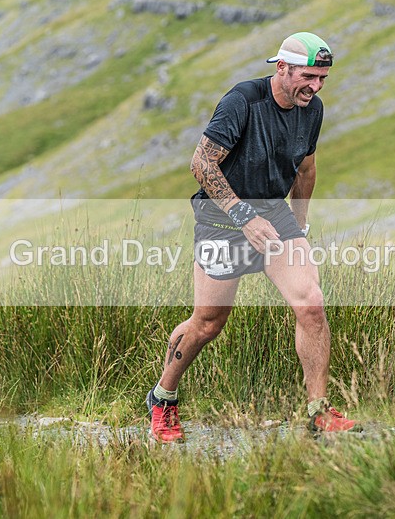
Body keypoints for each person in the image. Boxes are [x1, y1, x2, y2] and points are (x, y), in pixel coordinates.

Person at [146, 32, 360, 442]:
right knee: (208, 323)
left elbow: (305, 169)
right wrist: (243, 215)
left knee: (311, 303)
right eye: (309, 77)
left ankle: (317, 412)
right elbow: (202, 164)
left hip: (274, 216)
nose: (314, 87)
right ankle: (163, 397)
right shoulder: (242, 100)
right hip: (222, 220)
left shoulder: (312, 110)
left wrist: (299, 225)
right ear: (282, 68)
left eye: (322, 80)